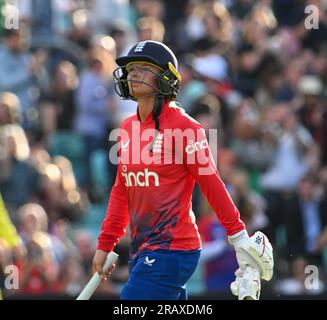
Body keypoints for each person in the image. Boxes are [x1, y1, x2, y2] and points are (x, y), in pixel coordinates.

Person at [92, 40, 274, 300]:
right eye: (131, 69)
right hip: (142, 250)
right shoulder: (127, 127)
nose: (134, 74)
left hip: (173, 249)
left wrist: (239, 237)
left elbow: (211, 184)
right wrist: (105, 244)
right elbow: (122, 190)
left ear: (166, 77)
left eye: (144, 68)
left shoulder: (186, 128)